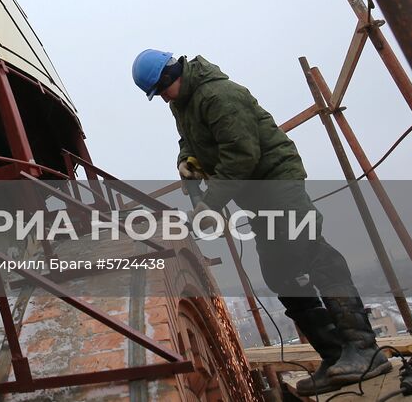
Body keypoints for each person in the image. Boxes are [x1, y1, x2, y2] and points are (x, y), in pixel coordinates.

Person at [131, 49, 392, 395]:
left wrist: (209, 205)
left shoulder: (218, 95)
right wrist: (187, 163)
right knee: (279, 272)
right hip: (254, 193)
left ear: (169, 78)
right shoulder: (184, 103)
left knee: (312, 252)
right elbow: (190, 141)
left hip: (275, 181)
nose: (162, 99)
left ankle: (363, 350)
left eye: (161, 91)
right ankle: (336, 356)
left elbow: (241, 157)